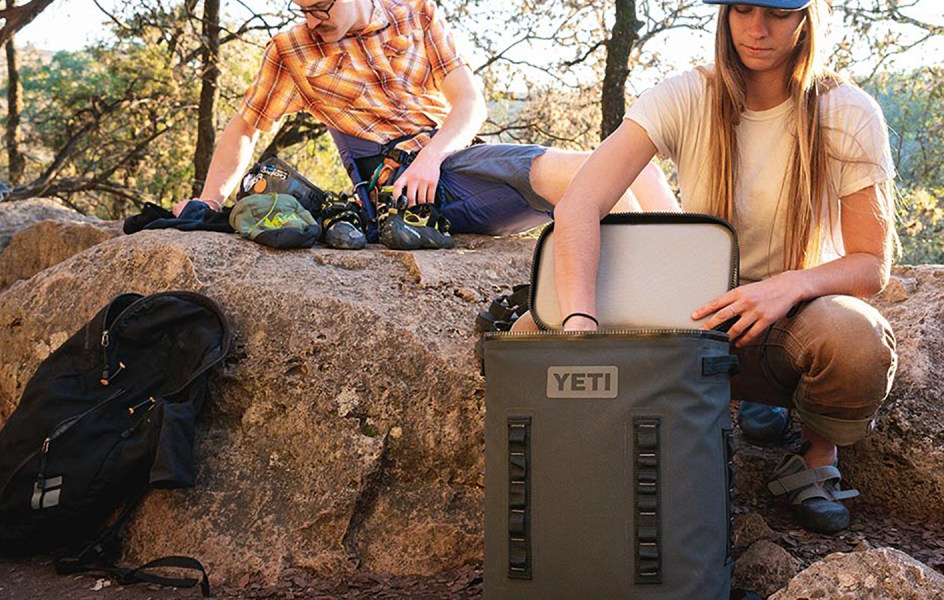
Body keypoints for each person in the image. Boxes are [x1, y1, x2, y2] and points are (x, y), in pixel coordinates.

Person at [549, 0, 897, 534]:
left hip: (795, 319)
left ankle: (812, 458)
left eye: (778, 14)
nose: (756, 30)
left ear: (806, 18)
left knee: (856, 339)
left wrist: (788, 286)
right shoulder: (687, 93)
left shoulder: (848, 112)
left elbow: (871, 263)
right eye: (741, 10)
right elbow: (579, 203)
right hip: (701, 315)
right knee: (533, 330)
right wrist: (579, 323)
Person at [172, 0, 678, 248]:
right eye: (302, 7)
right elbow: (245, 126)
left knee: (639, 168)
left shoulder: (415, 13)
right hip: (407, 189)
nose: (312, 18)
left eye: (321, 5)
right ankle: (661, 310)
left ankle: (701, 292)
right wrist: (210, 200)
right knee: (612, 173)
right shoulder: (292, 51)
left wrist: (434, 155)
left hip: (454, 161)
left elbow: (470, 101)